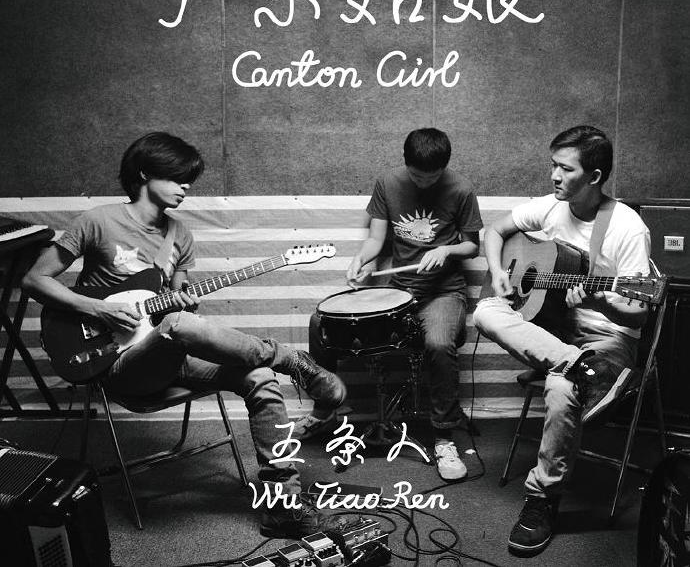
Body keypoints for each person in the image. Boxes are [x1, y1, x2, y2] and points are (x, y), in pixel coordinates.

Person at [22, 132, 348, 539]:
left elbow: (178, 311)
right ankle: (288, 358)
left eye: (189, 180)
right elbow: (34, 280)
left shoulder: (180, 236)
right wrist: (98, 308)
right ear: (145, 173)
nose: (186, 187)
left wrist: (185, 303)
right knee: (179, 325)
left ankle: (282, 506)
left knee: (258, 377)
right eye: (178, 177)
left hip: (167, 352)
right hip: (117, 362)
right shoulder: (97, 221)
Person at [472, 125, 651, 556]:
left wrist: (600, 302)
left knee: (560, 385)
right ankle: (578, 365)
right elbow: (494, 231)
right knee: (484, 311)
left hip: (606, 337)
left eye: (565, 169)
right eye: (553, 165)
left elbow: (641, 313)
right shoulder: (551, 206)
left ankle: (542, 500)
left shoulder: (628, 228)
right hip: (557, 331)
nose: (554, 175)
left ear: (594, 176)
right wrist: (498, 273)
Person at [292, 127, 483, 482]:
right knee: (321, 324)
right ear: (405, 163)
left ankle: (443, 436)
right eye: (417, 175)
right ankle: (324, 410)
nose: (424, 182)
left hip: (443, 292)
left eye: (432, 177)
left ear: (445, 168)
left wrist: (446, 250)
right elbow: (376, 239)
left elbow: (472, 246)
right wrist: (361, 260)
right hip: (399, 292)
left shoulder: (461, 188)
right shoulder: (388, 183)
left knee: (438, 343)